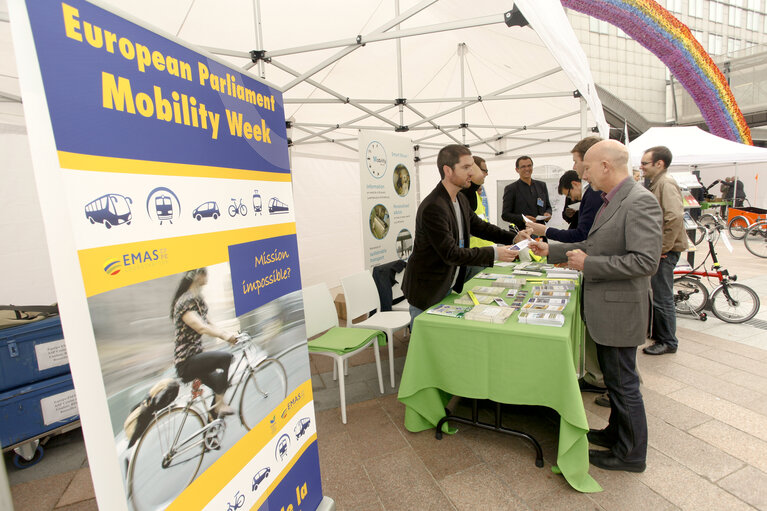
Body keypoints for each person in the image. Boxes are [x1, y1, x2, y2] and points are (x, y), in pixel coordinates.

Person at [530, 140, 662, 472]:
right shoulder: (611, 201)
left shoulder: (639, 202)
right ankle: (617, 434)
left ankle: (631, 454)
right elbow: (594, 242)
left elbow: (645, 262)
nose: (582, 173)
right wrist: (554, 251)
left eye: (587, 167)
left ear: (605, 165)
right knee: (618, 381)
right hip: (608, 309)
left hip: (620, 310)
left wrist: (590, 265)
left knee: (623, 383)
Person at [402, 144, 530, 321]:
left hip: (447, 283)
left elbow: (480, 227)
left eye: (472, 167)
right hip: (428, 290)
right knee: (427, 343)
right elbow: (450, 253)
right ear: (448, 170)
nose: (471, 172)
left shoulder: (460, 198)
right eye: (465, 167)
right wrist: (494, 253)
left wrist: (513, 236)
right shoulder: (433, 207)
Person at [171, 268, 238, 418]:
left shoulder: (197, 300)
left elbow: (209, 324)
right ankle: (220, 406)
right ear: (197, 276)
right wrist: (224, 336)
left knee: (221, 384)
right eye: (205, 273)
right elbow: (200, 327)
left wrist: (229, 334)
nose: (207, 276)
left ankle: (211, 438)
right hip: (186, 362)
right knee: (225, 358)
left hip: (195, 357)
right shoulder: (185, 301)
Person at [640, 146, 688, 356]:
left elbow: (674, 216)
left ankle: (668, 340)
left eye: (645, 163)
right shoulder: (657, 183)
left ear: (659, 164)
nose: (641, 167)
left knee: (662, 296)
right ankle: (661, 335)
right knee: (658, 295)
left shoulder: (666, 184)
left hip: (665, 251)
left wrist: (662, 248)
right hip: (660, 249)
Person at [501, 156, 552, 233]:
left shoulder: (541, 185)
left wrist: (548, 214)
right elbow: (505, 215)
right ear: (517, 170)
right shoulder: (511, 188)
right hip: (522, 232)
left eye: (529, 166)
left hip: (540, 231)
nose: (527, 169)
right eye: (523, 167)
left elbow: (548, 206)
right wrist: (523, 218)